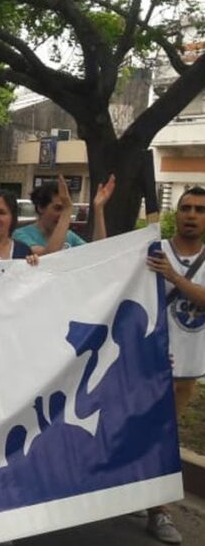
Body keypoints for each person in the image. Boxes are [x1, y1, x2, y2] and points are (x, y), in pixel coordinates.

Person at [144, 186, 205, 545]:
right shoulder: (155, 249)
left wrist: (176, 278)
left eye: (200, 209)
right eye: (186, 208)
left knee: (166, 437)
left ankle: (154, 505)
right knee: (151, 435)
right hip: (149, 365)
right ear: (176, 213)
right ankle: (158, 508)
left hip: (187, 368)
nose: (192, 215)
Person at [13, 175, 115, 255]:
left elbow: (96, 254)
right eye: (58, 208)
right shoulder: (20, 235)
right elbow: (48, 258)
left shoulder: (69, 236)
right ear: (40, 207)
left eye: (65, 208)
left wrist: (99, 209)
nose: (63, 215)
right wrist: (67, 209)